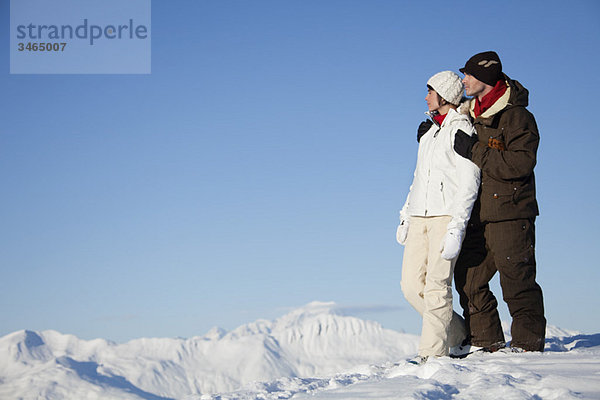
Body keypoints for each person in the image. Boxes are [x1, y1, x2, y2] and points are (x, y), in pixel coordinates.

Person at [452, 51, 546, 354]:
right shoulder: (470, 113)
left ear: (485, 77)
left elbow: (520, 164)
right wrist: (434, 131)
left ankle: (527, 348)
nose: (463, 80)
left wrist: (475, 151)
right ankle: (485, 344)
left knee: (516, 281)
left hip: (510, 212)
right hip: (478, 215)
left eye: (468, 74)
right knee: (469, 280)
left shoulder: (517, 116)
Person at [397, 71, 481, 365]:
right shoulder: (429, 133)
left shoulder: (462, 130)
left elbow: (470, 180)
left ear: (444, 95)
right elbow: (418, 178)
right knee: (410, 286)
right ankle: (458, 334)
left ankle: (431, 354)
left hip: (445, 216)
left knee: (437, 286)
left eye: (429, 91)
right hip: (420, 216)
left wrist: (457, 226)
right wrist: (406, 213)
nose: (425, 96)